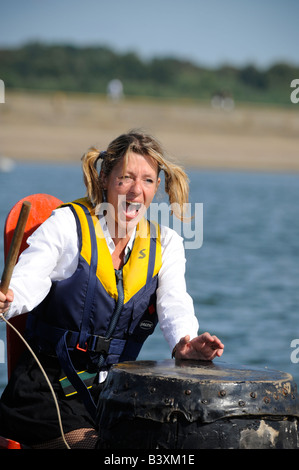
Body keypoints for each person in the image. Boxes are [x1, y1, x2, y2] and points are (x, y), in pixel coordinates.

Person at [0, 130, 224, 449]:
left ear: (157, 186)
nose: (136, 191)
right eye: (126, 178)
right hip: (44, 396)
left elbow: (176, 305)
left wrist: (185, 343)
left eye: (147, 180)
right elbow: (27, 282)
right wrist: (8, 299)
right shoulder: (66, 226)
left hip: (114, 397)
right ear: (105, 177)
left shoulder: (167, 245)